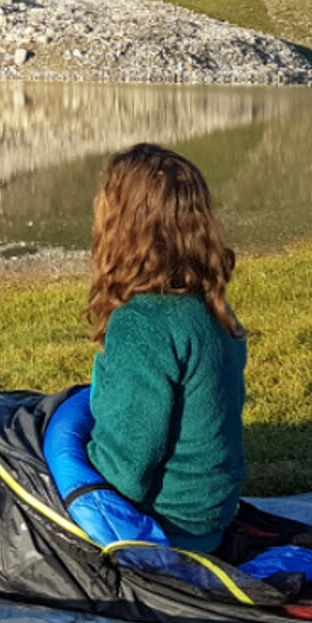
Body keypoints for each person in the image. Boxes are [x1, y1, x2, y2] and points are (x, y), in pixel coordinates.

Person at [84, 143, 247, 554]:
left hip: (165, 530)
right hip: (212, 514)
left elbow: (124, 469)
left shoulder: (142, 323)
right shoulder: (211, 307)